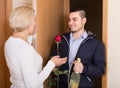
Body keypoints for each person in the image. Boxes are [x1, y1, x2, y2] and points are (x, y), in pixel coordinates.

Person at [4, 6, 67, 88]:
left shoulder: (9, 42)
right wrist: (52, 64)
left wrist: (30, 31)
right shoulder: (25, 49)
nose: (36, 24)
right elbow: (32, 85)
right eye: (34, 20)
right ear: (27, 22)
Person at [50, 8, 106, 88]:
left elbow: (100, 70)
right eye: (69, 20)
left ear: (84, 20)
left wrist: (83, 68)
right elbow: (52, 58)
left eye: (74, 19)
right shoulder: (61, 40)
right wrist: (54, 66)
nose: (70, 23)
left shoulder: (96, 44)